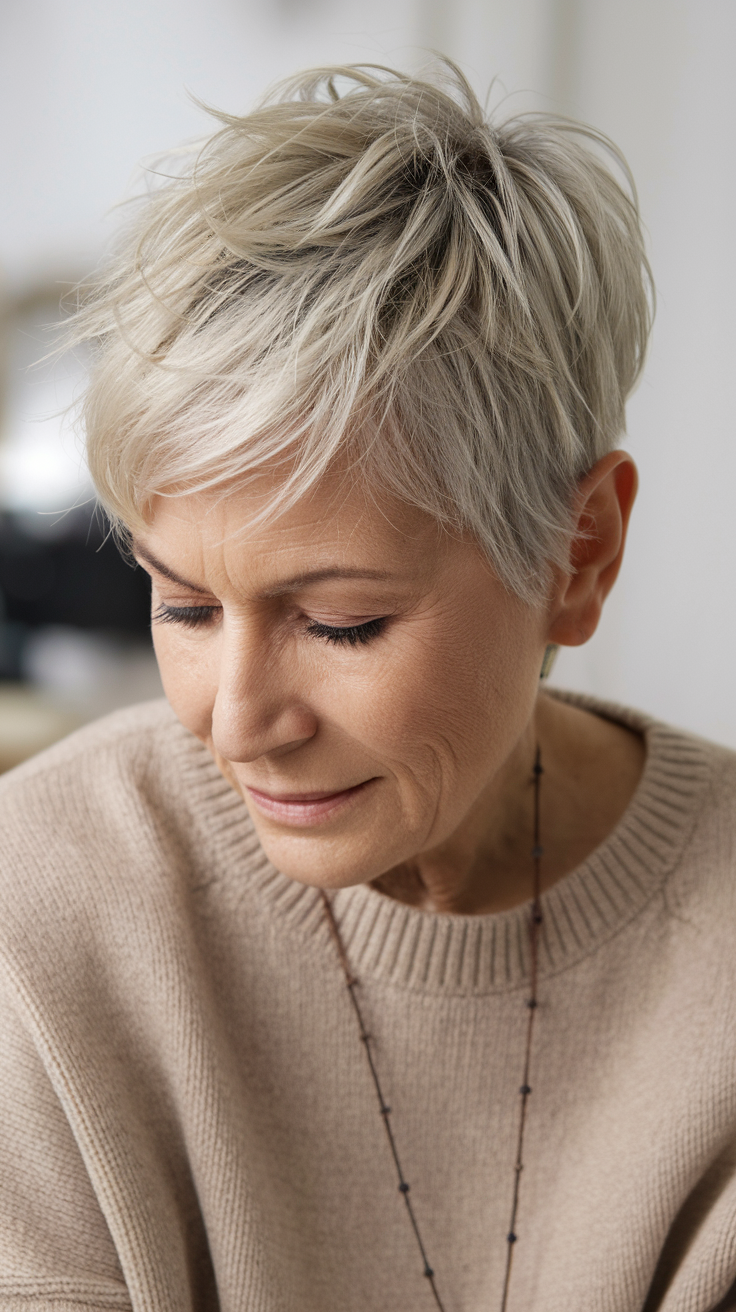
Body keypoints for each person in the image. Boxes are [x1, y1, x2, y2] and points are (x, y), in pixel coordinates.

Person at [0, 60, 734, 1312]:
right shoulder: (49, 900)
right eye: (182, 604)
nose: (234, 721)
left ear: (578, 554)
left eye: (341, 622)